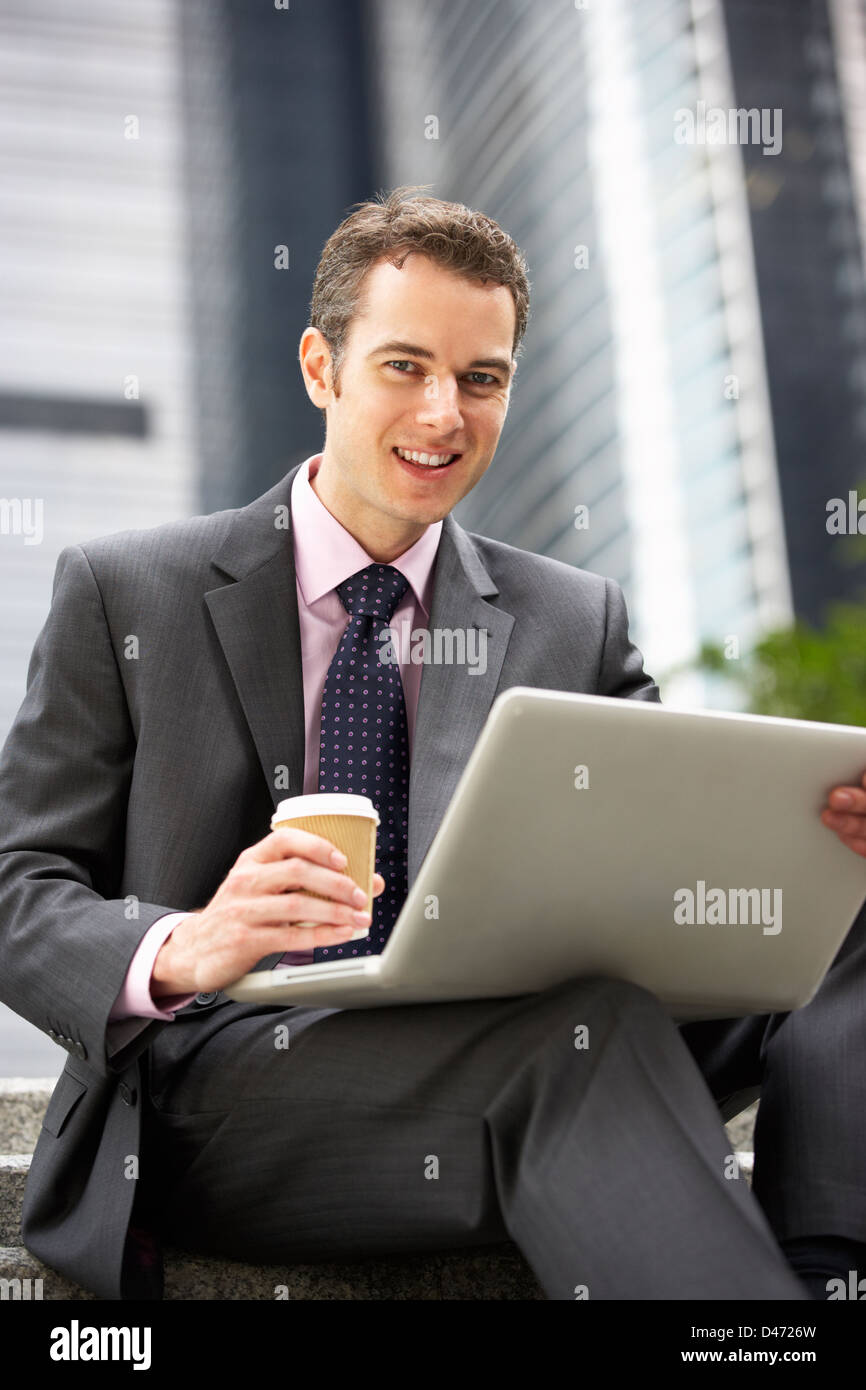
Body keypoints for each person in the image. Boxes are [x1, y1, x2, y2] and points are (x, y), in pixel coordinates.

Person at [0, 188, 864, 1302]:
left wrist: (801, 855)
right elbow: (19, 886)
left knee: (839, 881)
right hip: (229, 1091)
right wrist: (184, 945)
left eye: (480, 378)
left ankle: (822, 1266)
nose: (444, 412)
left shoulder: (572, 616)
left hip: (529, 1040)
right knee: (579, 1042)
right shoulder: (128, 591)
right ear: (322, 368)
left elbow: (660, 862)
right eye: (405, 366)